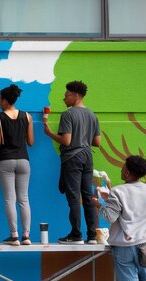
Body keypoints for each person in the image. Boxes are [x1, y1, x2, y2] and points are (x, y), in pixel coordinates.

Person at [43, 80, 101, 245]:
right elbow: (97, 142)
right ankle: (92, 235)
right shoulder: (92, 115)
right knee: (87, 196)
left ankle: (76, 234)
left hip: (72, 158)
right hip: (88, 157)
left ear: (75, 95)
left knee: (74, 197)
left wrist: (49, 133)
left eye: (66, 95)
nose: (64, 99)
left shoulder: (68, 114)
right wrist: (84, 135)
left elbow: (66, 141)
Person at [0, 84, 34, 246]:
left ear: (4, 101)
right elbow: (31, 142)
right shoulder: (28, 117)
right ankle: (26, 236)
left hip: (5, 160)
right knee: (24, 199)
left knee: (10, 199)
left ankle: (14, 236)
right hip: (24, 160)